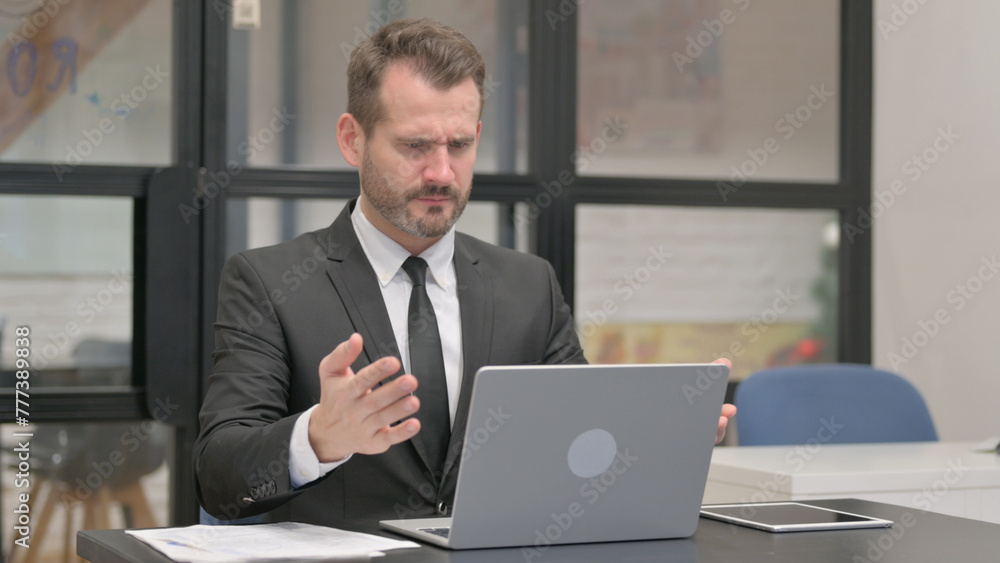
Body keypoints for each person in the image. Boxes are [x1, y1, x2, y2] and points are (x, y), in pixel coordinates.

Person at [194, 17, 735, 527]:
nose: (442, 172)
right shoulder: (268, 282)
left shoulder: (529, 286)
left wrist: (652, 436)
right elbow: (217, 476)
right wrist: (318, 437)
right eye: (415, 146)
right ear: (352, 139)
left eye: (460, 145)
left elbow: (580, 438)